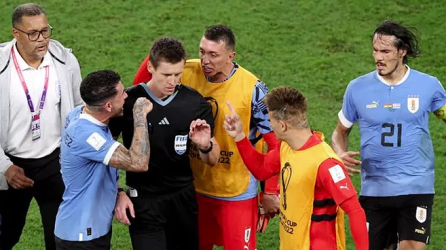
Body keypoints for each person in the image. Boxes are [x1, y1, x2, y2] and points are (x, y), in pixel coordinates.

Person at [132, 25, 280, 250]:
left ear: (231, 56)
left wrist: (270, 191)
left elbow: (275, 143)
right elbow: (142, 83)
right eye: (202, 51)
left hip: (236, 190)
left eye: (213, 54)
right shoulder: (184, 72)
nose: (205, 60)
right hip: (194, 188)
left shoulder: (253, 89)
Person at [331, 20, 446, 250]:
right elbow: (339, 132)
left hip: (416, 185)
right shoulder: (357, 88)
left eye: (385, 51)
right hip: (374, 188)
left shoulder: (428, 85)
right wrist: (339, 153)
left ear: (402, 52)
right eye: (375, 50)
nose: (378, 57)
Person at [223, 86, 369, 250]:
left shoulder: (326, 164)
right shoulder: (286, 147)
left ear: (283, 125)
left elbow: (355, 211)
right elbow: (261, 169)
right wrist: (240, 137)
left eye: (270, 120)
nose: (269, 125)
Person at [110, 37, 220, 250]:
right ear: (150, 67)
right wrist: (117, 191)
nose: (173, 82)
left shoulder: (195, 103)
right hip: (143, 200)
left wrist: (205, 145)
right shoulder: (129, 101)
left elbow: (212, 160)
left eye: (178, 74)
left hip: (183, 198)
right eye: (166, 75)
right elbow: (105, 153)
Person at [0, 3, 83, 250]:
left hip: (54, 162)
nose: (42, 39)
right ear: (16, 33)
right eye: (33, 33)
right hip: (12, 165)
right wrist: (5, 168)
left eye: (45, 31)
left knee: (59, 239)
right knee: (6, 235)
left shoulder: (64, 60)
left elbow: (79, 110)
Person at [54, 70, 152, 250]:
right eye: (122, 93)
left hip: (87, 228)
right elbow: (138, 162)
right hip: (81, 236)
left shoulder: (81, 114)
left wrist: (119, 192)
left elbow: (100, 167)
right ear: (108, 106)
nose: (126, 96)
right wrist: (140, 115)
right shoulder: (88, 136)